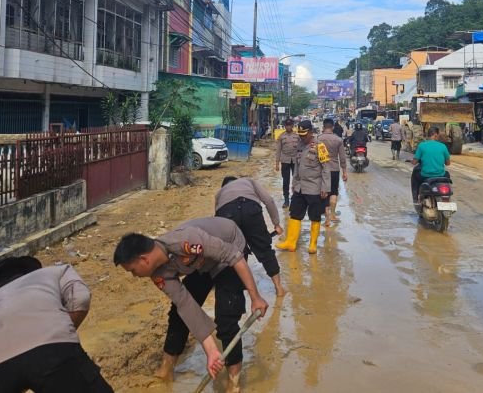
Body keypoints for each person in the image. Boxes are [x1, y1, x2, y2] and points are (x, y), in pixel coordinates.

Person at [113, 218, 269, 390]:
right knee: (178, 313)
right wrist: (211, 351)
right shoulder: (158, 274)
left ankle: (234, 381)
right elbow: (185, 304)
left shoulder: (187, 241)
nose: (134, 276)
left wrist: (256, 298)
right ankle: (166, 369)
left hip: (230, 247)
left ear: (144, 259)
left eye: (132, 270)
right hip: (203, 264)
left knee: (226, 317)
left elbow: (234, 257)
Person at [0, 256, 111, 393]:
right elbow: (81, 298)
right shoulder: (55, 272)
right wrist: (59, 331)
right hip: (54, 353)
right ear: (30, 271)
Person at [215, 176, 286, 297]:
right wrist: (276, 224)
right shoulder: (248, 181)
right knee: (264, 250)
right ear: (237, 180)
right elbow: (268, 200)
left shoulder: (219, 193)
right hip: (250, 208)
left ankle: (238, 290)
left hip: (226, 212)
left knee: (234, 253)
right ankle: (279, 288)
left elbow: (217, 219)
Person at [276, 119, 331, 254]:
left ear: (311, 132)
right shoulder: (299, 146)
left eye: (304, 134)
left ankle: (312, 244)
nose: (302, 137)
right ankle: (291, 242)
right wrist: (294, 184)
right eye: (300, 134)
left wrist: (325, 188)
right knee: (294, 214)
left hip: (314, 188)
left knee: (315, 216)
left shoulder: (320, 146)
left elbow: (326, 169)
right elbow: (296, 167)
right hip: (300, 187)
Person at [318, 118, 348, 226]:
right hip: (334, 169)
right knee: (334, 192)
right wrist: (344, 171)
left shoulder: (318, 139)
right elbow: (342, 157)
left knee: (324, 192)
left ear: (323, 126)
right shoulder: (338, 140)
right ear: (332, 127)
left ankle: (326, 218)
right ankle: (333, 215)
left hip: (322, 170)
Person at [411, 127, 450, 204]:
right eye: (438, 135)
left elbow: (414, 162)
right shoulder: (443, 146)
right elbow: (448, 163)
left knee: (415, 174)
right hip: (441, 175)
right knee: (447, 174)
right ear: (435, 135)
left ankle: (415, 199)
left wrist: (413, 161)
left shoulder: (422, 146)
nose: (438, 137)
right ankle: (446, 197)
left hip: (425, 175)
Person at [275, 118, 301, 208]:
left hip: (295, 161)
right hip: (285, 161)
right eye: (287, 125)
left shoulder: (297, 136)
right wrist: (276, 163)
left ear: (292, 126)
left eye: (290, 125)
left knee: (296, 180)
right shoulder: (281, 137)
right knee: (285, 181)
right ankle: (286, 200)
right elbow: (278, 150)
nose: (288, 127)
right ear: (285, 126)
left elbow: (300, 149)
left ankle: (295, 199)